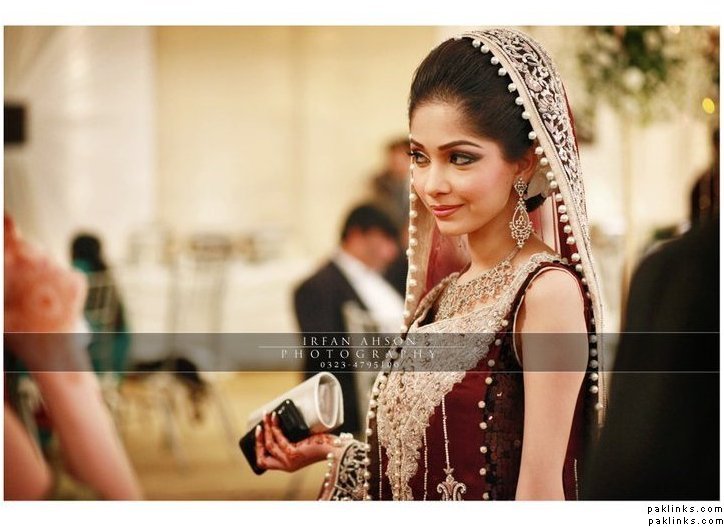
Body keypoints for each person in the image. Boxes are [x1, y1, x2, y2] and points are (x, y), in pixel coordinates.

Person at [258, 28, 606, 501]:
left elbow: (541, 493)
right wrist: (333, 452)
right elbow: (428, 462)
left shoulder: (545, 293)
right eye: (419, 157)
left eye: (460, 158)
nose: (431, 184)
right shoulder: (444, 294)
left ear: (524, 163)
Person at [4, 214, 142, 499]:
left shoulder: (74, 274)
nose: (25, 246)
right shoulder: (105, 276)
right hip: (110, 365)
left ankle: (41, 440)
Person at [293, 203, 403, 435]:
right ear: (356, 236)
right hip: (351, 402)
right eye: (384, 239)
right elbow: (326, 352)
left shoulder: (386, 277)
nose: (391, 252)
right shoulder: (316, 287)